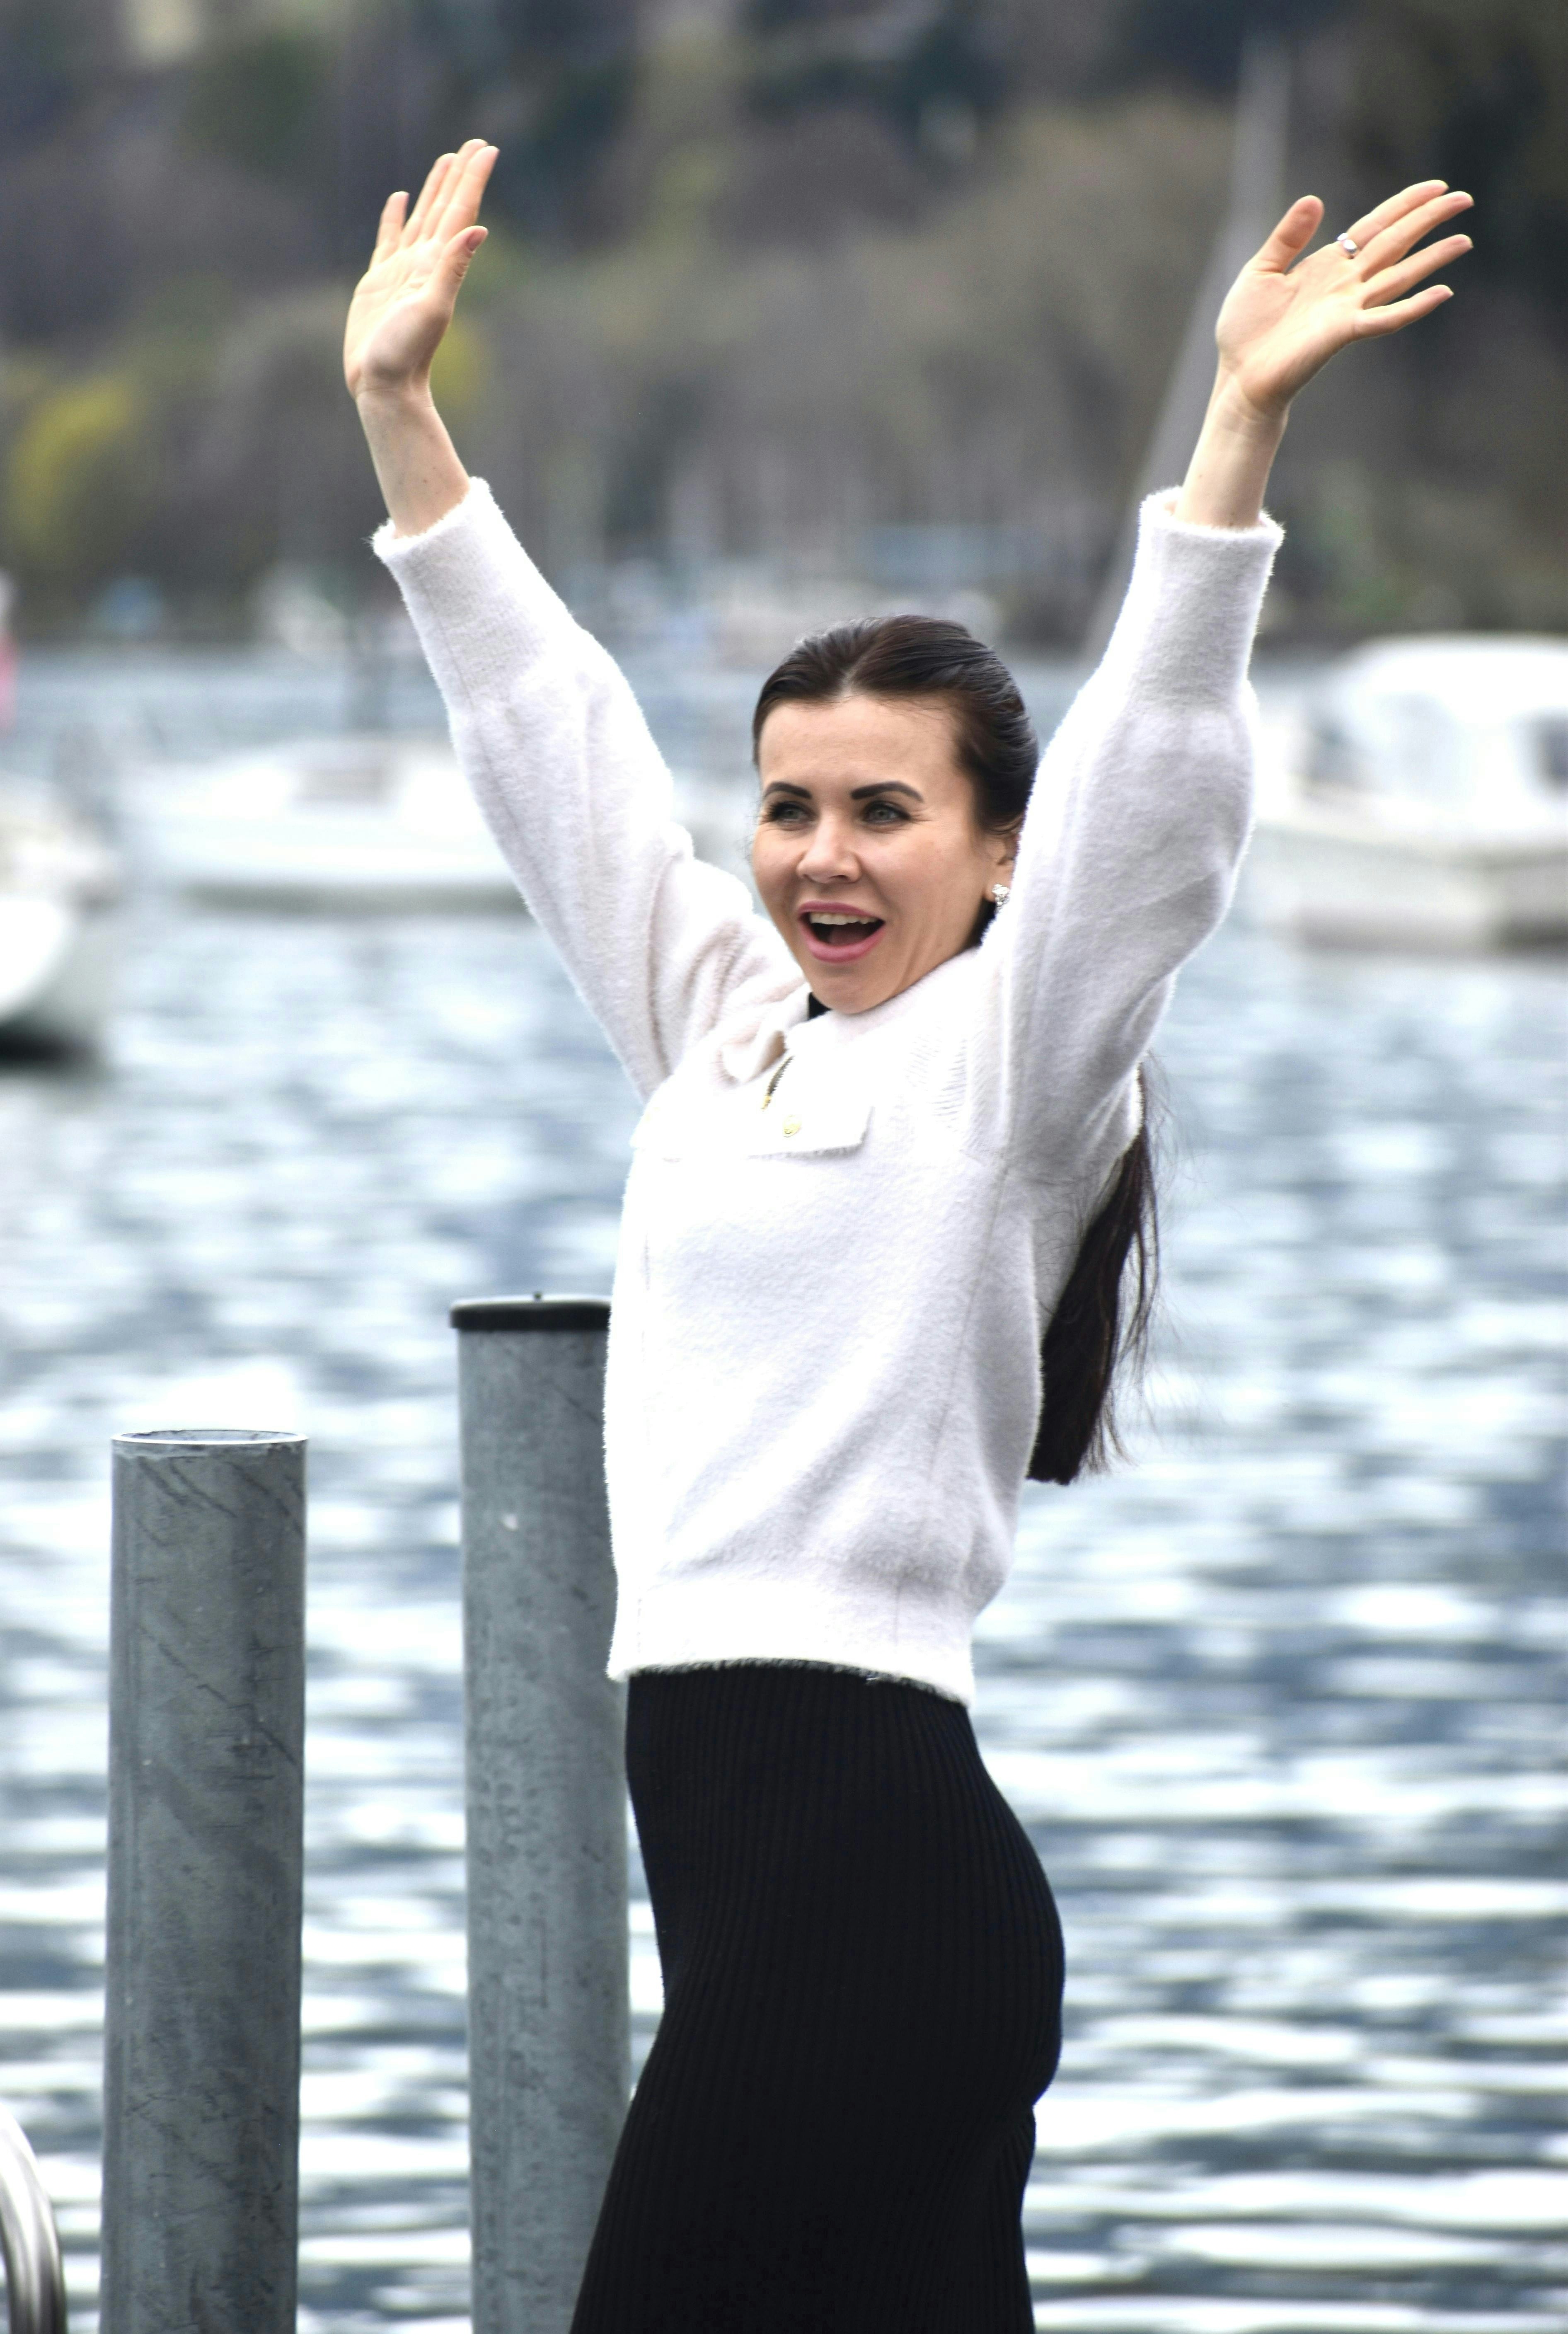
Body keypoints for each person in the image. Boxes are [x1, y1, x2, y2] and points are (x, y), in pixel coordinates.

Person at [345, 148, 1472, 2331]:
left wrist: (1232, 443)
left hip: (869, 1890)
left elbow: (1155, 784)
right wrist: (403, 420)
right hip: (763, 1889)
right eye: (788, 806)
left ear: (997, 853)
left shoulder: (1017, 1066)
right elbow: (552, 740)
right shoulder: (717, 1030)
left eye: (885, 811)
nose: (822, 857)